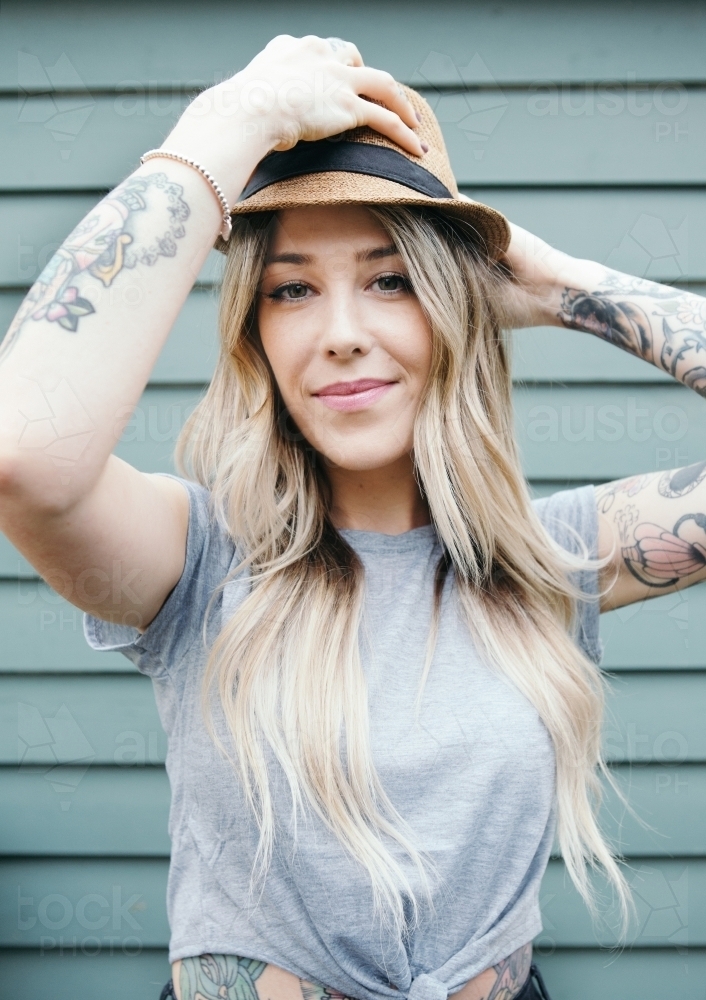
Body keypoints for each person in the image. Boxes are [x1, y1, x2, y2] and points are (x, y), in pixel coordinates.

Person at [1, 34, 704, 1000]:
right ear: (255, 331)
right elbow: (25, 455)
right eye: (291, 289)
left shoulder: (556, 560)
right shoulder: (194, 565)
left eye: (392, 280)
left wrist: (558, 285)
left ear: (456, 310)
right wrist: (227, 125)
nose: (340, 335)